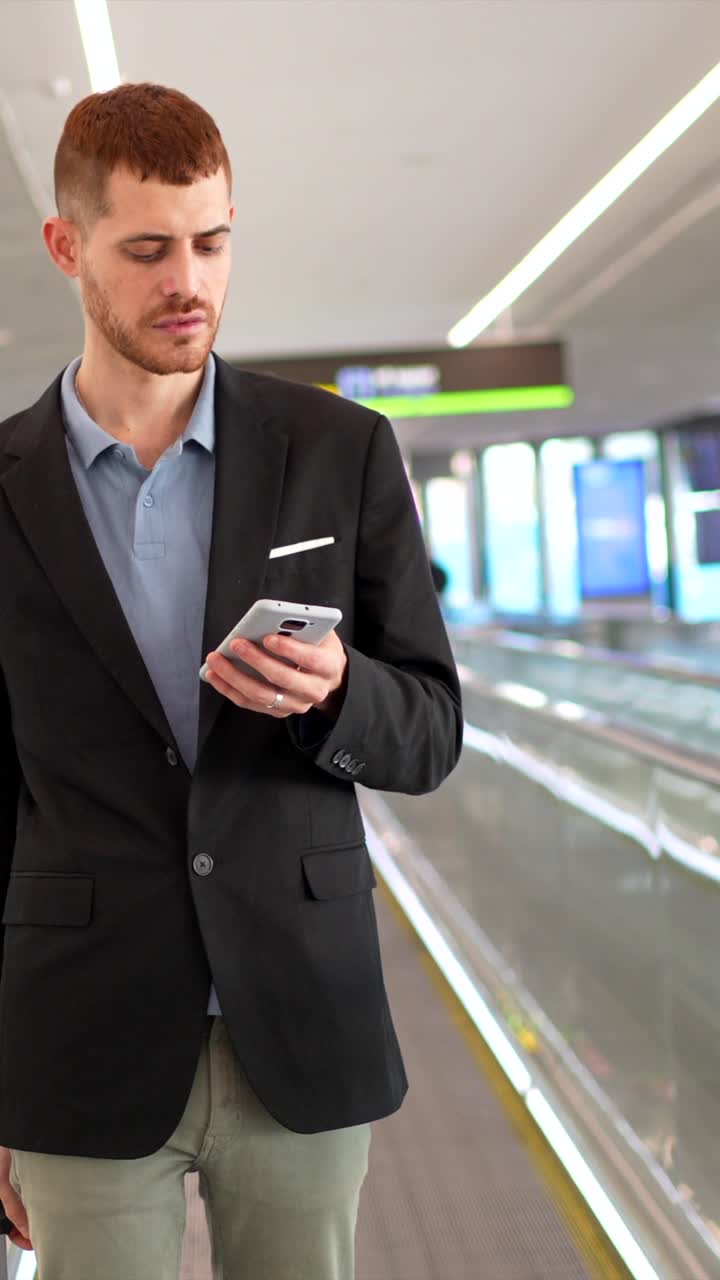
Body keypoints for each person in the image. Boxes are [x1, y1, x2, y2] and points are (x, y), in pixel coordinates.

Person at [0, 83, 462, 1280]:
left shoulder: (339, 450)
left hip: (300, 1010)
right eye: (148, 249)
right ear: (67, 247)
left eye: (212, 242)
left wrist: (337, 692)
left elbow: (430, 729)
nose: (189, 281)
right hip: (78, 1029)